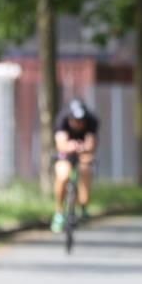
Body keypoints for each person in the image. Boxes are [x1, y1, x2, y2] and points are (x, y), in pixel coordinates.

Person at [50, 98, 98, 232]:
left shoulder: (92, 120)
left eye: (81, 120)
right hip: (66, 153)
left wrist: (83, 148)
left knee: (86, 169)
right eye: (75, 120)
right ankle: (59, 212)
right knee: (63, 175)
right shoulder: (62, 119)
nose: (78, 123)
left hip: (84, 153)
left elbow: (91, 144)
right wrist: (69, 146)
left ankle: (84, 205)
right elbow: (61, 144)